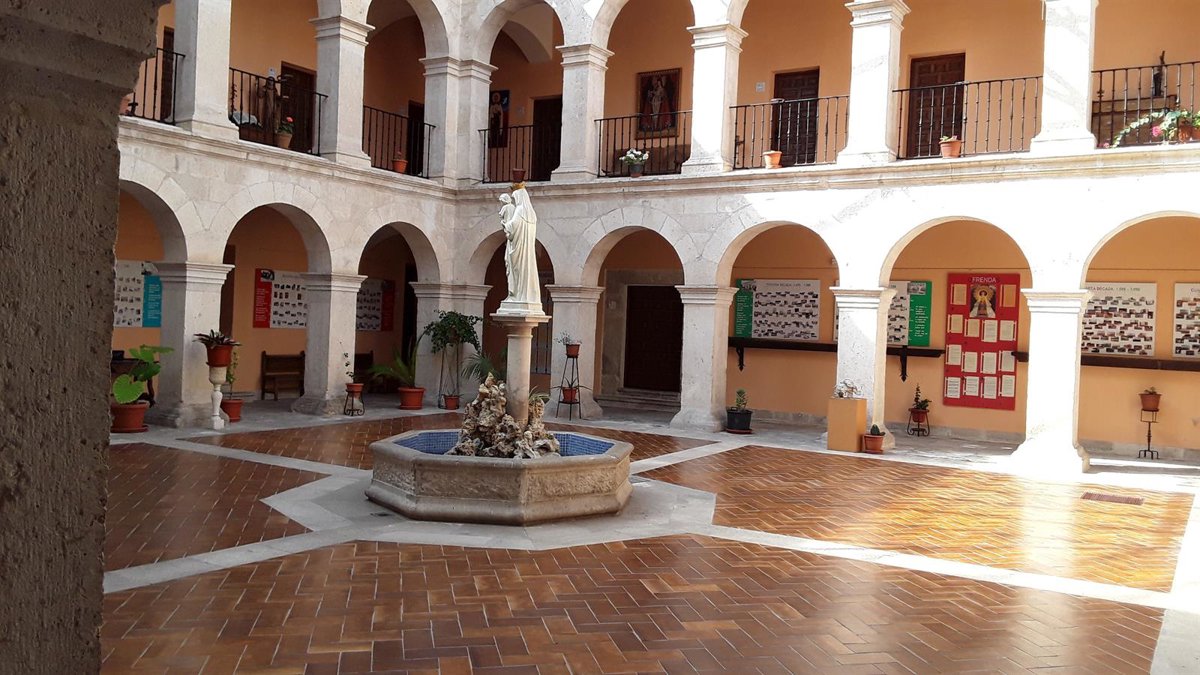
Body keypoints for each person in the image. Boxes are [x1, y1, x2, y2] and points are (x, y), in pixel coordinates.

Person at [501, 186, 541, 309]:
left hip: (518, 247)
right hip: (526, 248)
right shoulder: (531, 213)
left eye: (514, 198)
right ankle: (524, 295)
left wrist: (504, 224)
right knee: (525, 270)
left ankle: (517, 295)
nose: (514, 201)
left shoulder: (520, 210)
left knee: (517, 271)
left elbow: (513, 226)